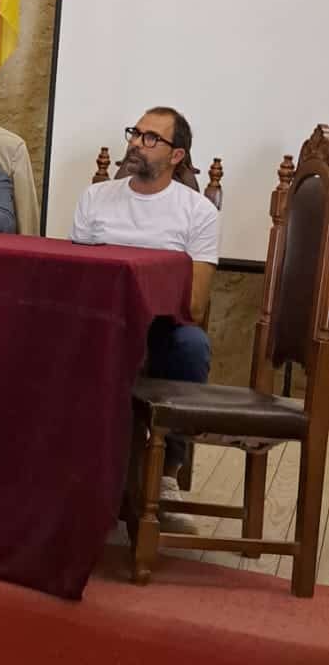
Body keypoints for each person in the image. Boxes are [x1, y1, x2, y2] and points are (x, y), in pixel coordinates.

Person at [69, 105, 218, 483]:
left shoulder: (198, 211)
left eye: (151, 138)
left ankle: (168, 470)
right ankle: (71, 467)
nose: (136, 143)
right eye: (135, 133)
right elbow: (77, 276)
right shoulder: (95, 197)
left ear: (176, 155)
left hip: (161, 327)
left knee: (192, 345)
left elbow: (196, 304)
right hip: (101, 321)